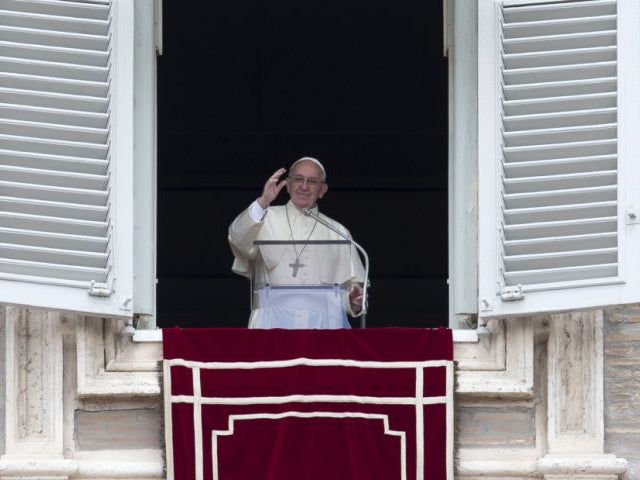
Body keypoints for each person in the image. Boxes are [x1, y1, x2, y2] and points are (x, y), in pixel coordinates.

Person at [228, 156, 366, 329]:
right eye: (298, 179)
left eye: (312, 181)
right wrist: (263, 201)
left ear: (322, 190)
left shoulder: (338, 232)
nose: (304, 186)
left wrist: (353, 301)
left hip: (325, 326)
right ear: (288, 184)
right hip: (271, 323)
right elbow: (237, 239)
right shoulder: (264, 218)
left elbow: (351, 292)